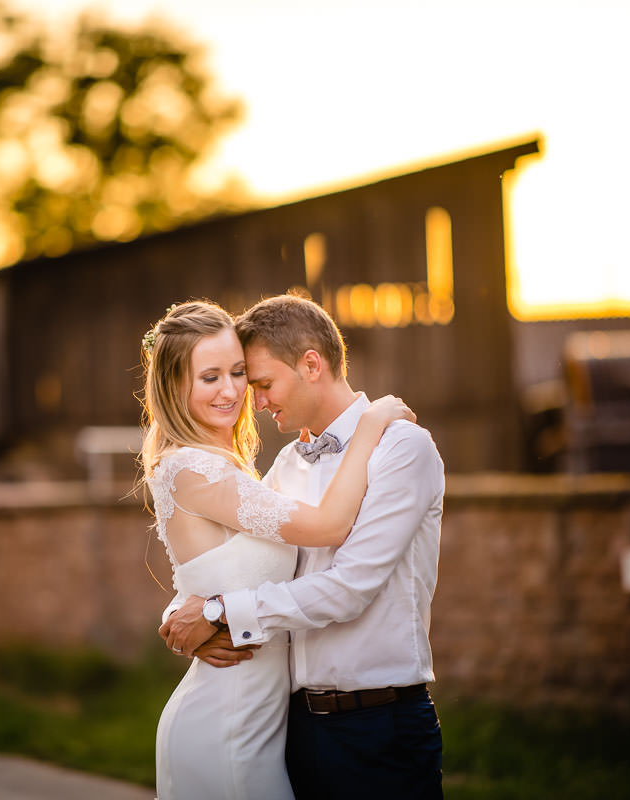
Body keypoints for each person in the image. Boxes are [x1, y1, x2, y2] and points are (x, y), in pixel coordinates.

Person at [159, 293, 446, 799]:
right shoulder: (289, 462)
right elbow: (233, 558)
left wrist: (221, 612)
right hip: (290, 728)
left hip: (378, 724)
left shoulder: (402, 448)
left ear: (311, 364)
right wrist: (188, 612)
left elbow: (349, 588)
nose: (256, 400)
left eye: (262, 383)